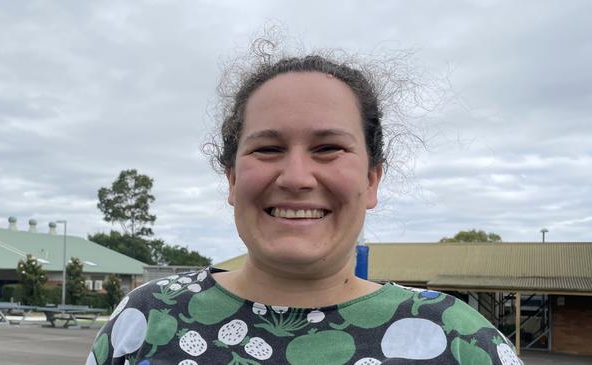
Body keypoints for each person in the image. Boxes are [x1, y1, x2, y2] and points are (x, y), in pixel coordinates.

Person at [86, 51, 523, 365]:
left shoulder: (459, 339)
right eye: (269, 148)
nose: (296, 176)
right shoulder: (147, 317)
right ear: (233, 180)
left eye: (328, 148)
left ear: (372, 180)